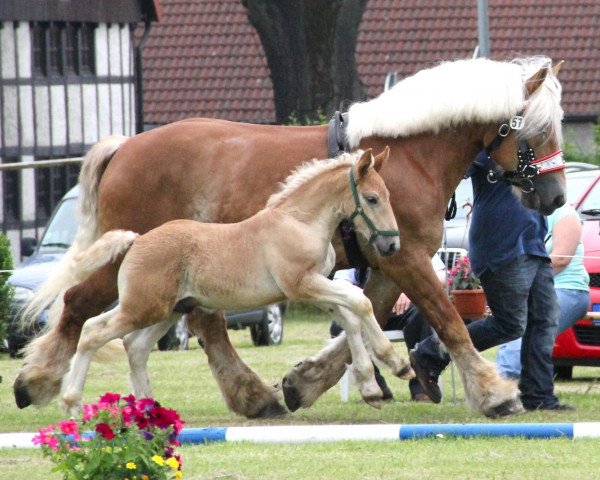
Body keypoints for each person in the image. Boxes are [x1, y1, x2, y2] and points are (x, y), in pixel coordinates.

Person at [410, 151, 574, 412]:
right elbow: (454, 164)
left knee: (544, 319)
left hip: (533, 243)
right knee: (509, 324)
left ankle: (539, 396)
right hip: (501, 246)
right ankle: (429, 353)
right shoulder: (490, 145)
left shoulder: (533, 145)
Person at [330, 253, 447, 402]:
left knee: (423, 314)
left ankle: (422, 388)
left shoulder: (412, 237)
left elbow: (441, 275)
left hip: (405, 308)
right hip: (367, 312)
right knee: (339, 326)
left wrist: (408, 291)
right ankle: (377, 388)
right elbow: (339, 283)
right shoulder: (353, 244)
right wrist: (362, 298)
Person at [496, 202, 590, 379]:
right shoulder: (527, 214)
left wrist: (519, 280)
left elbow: (561, 259)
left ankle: (502, 380)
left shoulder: (565, 214)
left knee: (524, 334)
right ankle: (504, 382)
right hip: (535, 290)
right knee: (512, 330)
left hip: (568, 290)